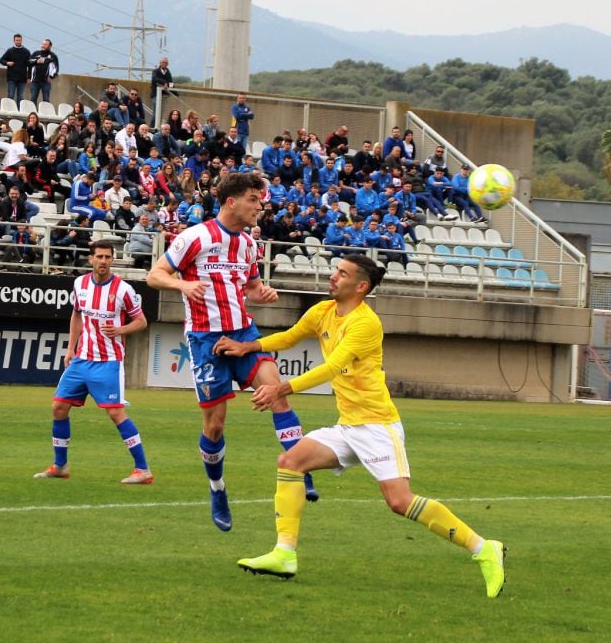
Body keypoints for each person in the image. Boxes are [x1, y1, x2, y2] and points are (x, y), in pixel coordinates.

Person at [216, 254, 506, 596]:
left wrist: (280, 388)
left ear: (361, 286)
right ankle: (284, 554)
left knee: (399, 502)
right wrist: (247, 346)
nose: (333, 277)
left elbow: (332, 367)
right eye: (335, 271)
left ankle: (484, 548)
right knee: (290, 462)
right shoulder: (323, 311)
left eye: (342, 274)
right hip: (348, 426)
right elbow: (290, 337)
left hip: (377, 426)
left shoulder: (366, 324)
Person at [146, 172, 318, 532]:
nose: (260, 206)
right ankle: (217, 488)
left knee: (277, 393)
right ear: (231, 202)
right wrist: (182, 283)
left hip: (243, 333)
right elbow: (154, 275)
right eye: (254, 200)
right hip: (206, 341)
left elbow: (252, 287)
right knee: (215, 425)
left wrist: (263, 293)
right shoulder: (194, 237)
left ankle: (300, 466)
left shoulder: (248, 245)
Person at [35, 241, 153, 484]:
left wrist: (121, 329)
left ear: (112, 260)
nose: (103, 261)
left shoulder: (123, 290)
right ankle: (60, 465)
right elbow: (77, 314)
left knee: (116, 413)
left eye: (108, 257)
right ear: (90, 259)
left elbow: (141, 321)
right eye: (99, 256)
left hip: (108, 361)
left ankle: (143, 469)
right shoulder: (80, 284)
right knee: (58, 407)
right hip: (81, 360)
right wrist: (70, 348)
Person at [0, 33, 31, 103]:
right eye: (16, 40)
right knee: (10, 96)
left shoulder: (26, 52)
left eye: (19, 40)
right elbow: (1, 60)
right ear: (14, 41)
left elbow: (30, 65)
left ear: (22, 41)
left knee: (20, 97)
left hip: (22, 78)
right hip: (11, 78)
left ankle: (19, 112)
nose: (18, 42)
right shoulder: (10, 51)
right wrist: (7, 63)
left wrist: (29, 77)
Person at [28, 38, 58, 104]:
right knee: (33, 99)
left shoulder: (53, 56)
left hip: (46, 82)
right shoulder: (36, 53)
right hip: (35, 81)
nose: (43, 46)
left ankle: (46, 112)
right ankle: (33, 113)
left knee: (46, 100)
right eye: (43, 44)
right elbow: (29, 63)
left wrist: (51, 77)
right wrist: (29, 77)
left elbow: (56, 68)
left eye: (45, 44)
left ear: (50, 46)